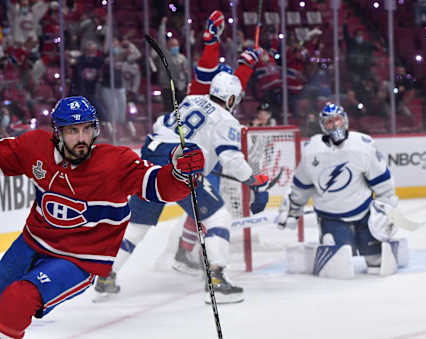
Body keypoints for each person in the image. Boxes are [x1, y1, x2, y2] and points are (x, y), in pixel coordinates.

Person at [0, 96, 205, 338]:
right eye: (72, 131)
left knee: (18, 300)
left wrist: (180, 174)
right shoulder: (35, 147)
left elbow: (158, 187)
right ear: (57, 133)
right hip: (31, 243)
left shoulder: (115, 163)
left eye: (86, 129)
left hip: (79, 259)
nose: (81, 139)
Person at [92, 11, 268, 305]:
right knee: (218, 215)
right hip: (179, 162)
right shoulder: (226, 118)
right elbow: (231, 158)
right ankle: (216, 280)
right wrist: (255, 182)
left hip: (149, 158)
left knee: (139, 223)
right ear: (233, 100)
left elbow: (205, 79)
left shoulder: (191, 99)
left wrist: (226, 51)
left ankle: (107, 275)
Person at [277, 103, 406, 278]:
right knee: (338, 264)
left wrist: (388, 209)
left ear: (344, 120)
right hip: (331, 216)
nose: (335, 125)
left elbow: (382, 182)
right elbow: (301, 186)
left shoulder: (362, 145)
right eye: (329, 122)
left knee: (377, 262)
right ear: (323, 125)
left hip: (364, 214)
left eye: (337, 120)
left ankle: (378, 245)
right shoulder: (312, 151)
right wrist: (293, 210)